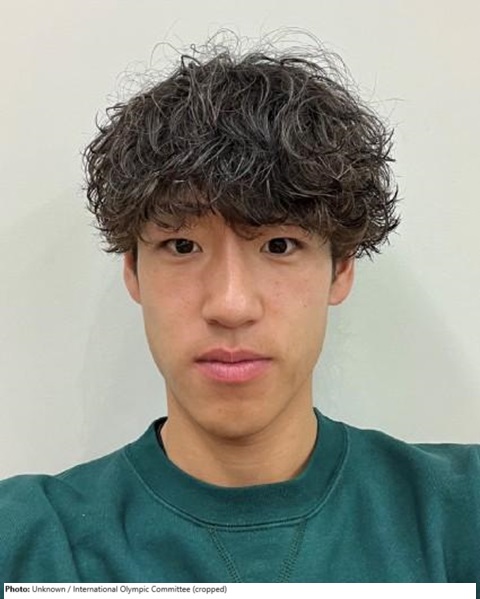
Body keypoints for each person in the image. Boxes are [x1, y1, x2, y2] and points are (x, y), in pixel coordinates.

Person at [0, 34, 479, 586]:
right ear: (133, 270)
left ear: (341, 269)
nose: (230, 305)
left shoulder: (460, 514)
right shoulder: (28, 541)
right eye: (182, 246)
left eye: (279, 245)